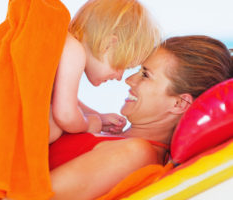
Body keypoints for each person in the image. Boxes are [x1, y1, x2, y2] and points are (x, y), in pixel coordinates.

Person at [49, 35, 233, 199]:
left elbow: (38, 195)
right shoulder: (108, 134)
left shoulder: (135, 153)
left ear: (179, 104)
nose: (129, 80)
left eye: (145, 74)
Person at [49, 0, 161, 143]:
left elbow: (61, 97)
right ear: (107, 45)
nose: (120, 77)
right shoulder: (74, 51)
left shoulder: (65, 46)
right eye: (122, 66)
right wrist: (89, 124)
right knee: (54, 126)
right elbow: (65, 115)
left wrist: (98, 116)